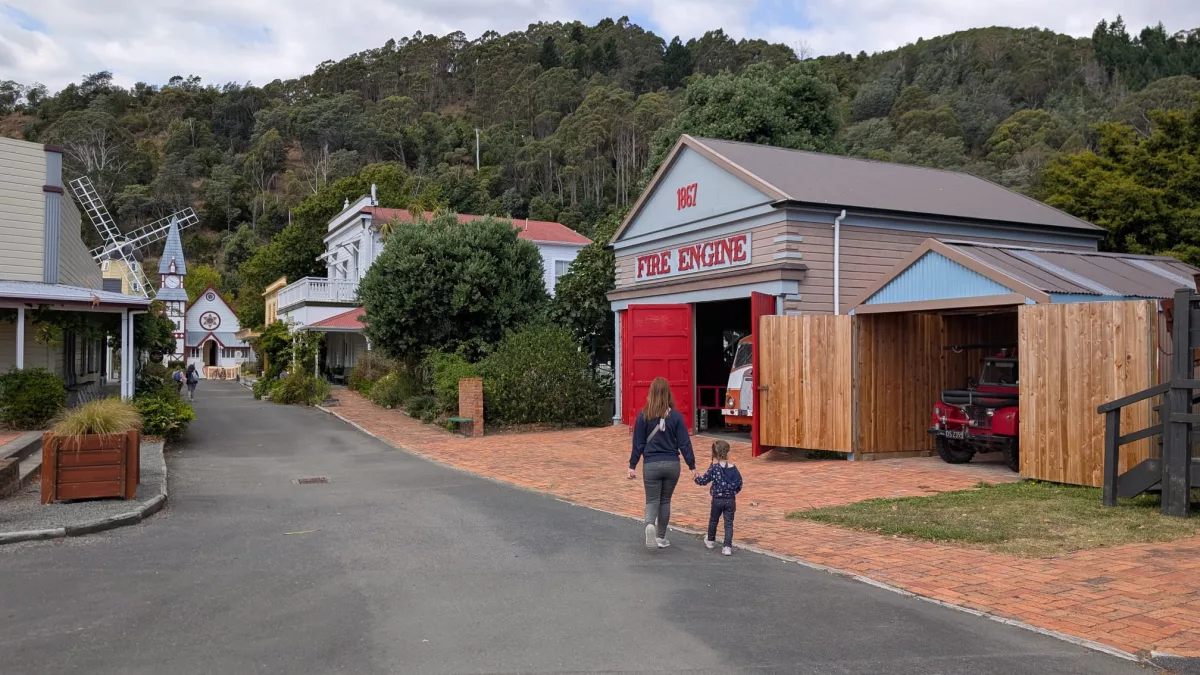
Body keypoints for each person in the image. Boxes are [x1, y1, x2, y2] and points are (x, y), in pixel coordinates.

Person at [628, 377, 696, 550]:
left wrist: (632, 465)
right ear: (668, 394)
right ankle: (661, 537)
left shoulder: (643, 415)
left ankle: (650, 524)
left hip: (651, 464)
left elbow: (638, 443)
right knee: (665, 501)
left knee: (652, 500)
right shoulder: (676, 417)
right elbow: (684, 443)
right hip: (672, 464)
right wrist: (691, 465)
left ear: (650, 393)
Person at [695, 440, 743, 556]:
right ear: (727, 452)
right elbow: (739, 483)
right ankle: (727, 547)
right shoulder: (734, 468)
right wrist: (732, 492)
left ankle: (711, 540)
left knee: (713, 520)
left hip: (717, 499)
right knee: (728, 523)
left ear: (714, 454)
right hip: (730, 500)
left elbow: (704, 480)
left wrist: (696, 477)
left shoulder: (714, 468)